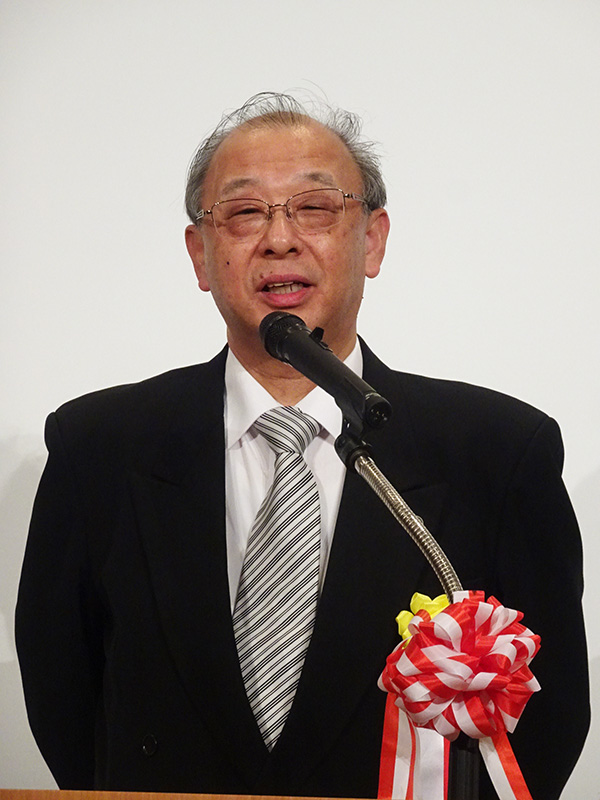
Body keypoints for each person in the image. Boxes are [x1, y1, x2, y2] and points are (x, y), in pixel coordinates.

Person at [16, 93, 589, 800]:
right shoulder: (97, 447)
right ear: (200, 254)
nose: (279, 240)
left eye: (315, 208)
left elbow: (549, 716)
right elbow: (63, 696)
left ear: (372, 240)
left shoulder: (497, 452)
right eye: (244, 212)